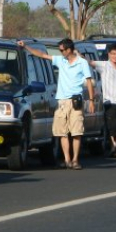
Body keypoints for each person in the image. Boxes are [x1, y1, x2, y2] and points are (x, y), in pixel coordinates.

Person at [19, 38, 94, 170]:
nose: (61, 52)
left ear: (69, 49)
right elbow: (41, 55)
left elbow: (89, 81)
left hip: (75, 101)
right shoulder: (61, 61)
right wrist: (26, 47)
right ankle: (67, 160)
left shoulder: (82, 63)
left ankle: (75, 159)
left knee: (76, 132)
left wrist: (91, 101)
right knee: (62, 132)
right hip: (62, 102)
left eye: (62, 50)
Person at [82, 43, 116, 159]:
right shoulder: (104, 66)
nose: (115, 56)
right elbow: (89, 62)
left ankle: (113, 149)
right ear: (109, 54)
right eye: (113, 54)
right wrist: (77, 54)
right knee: (114, 126)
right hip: (110, 102)